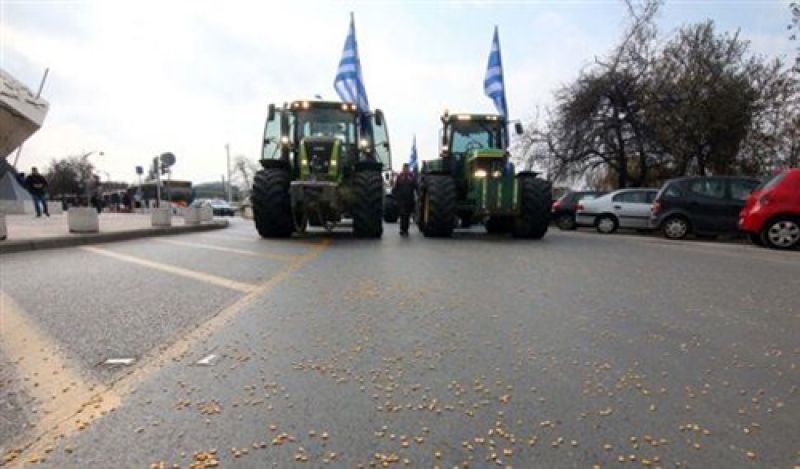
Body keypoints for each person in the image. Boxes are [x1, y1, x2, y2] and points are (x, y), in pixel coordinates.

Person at [392, 163, 418, 236]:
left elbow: (416, 186)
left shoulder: (412, 177)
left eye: (407, 168)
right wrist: (395, 198)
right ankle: (402, 229)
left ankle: (406, 229)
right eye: (404, 168)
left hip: (410, 199)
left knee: (407, 215)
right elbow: (396, 187)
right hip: (401, 199)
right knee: (402, 214)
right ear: (403, 169)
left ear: (408, 169)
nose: (405, 170)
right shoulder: (399, 177)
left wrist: (418, 196)